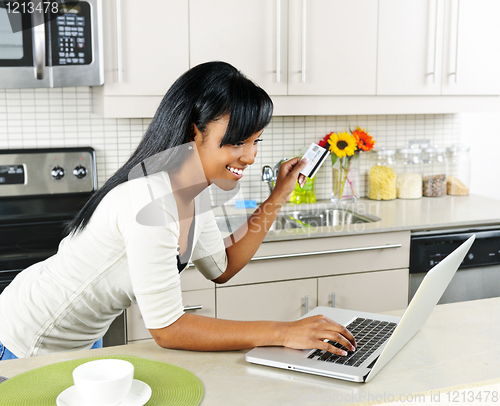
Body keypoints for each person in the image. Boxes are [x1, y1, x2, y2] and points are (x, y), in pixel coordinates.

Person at [0, 61, 355, 360]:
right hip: (26, 337)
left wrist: (278, 195)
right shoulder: (149, 201)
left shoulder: (194, 192)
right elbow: (168, 328)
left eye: (255, 140)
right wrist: (284, 331)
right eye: (236, 141)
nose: (250, 156)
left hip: (80, 337)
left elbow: (223, 267)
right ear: (193, 132)